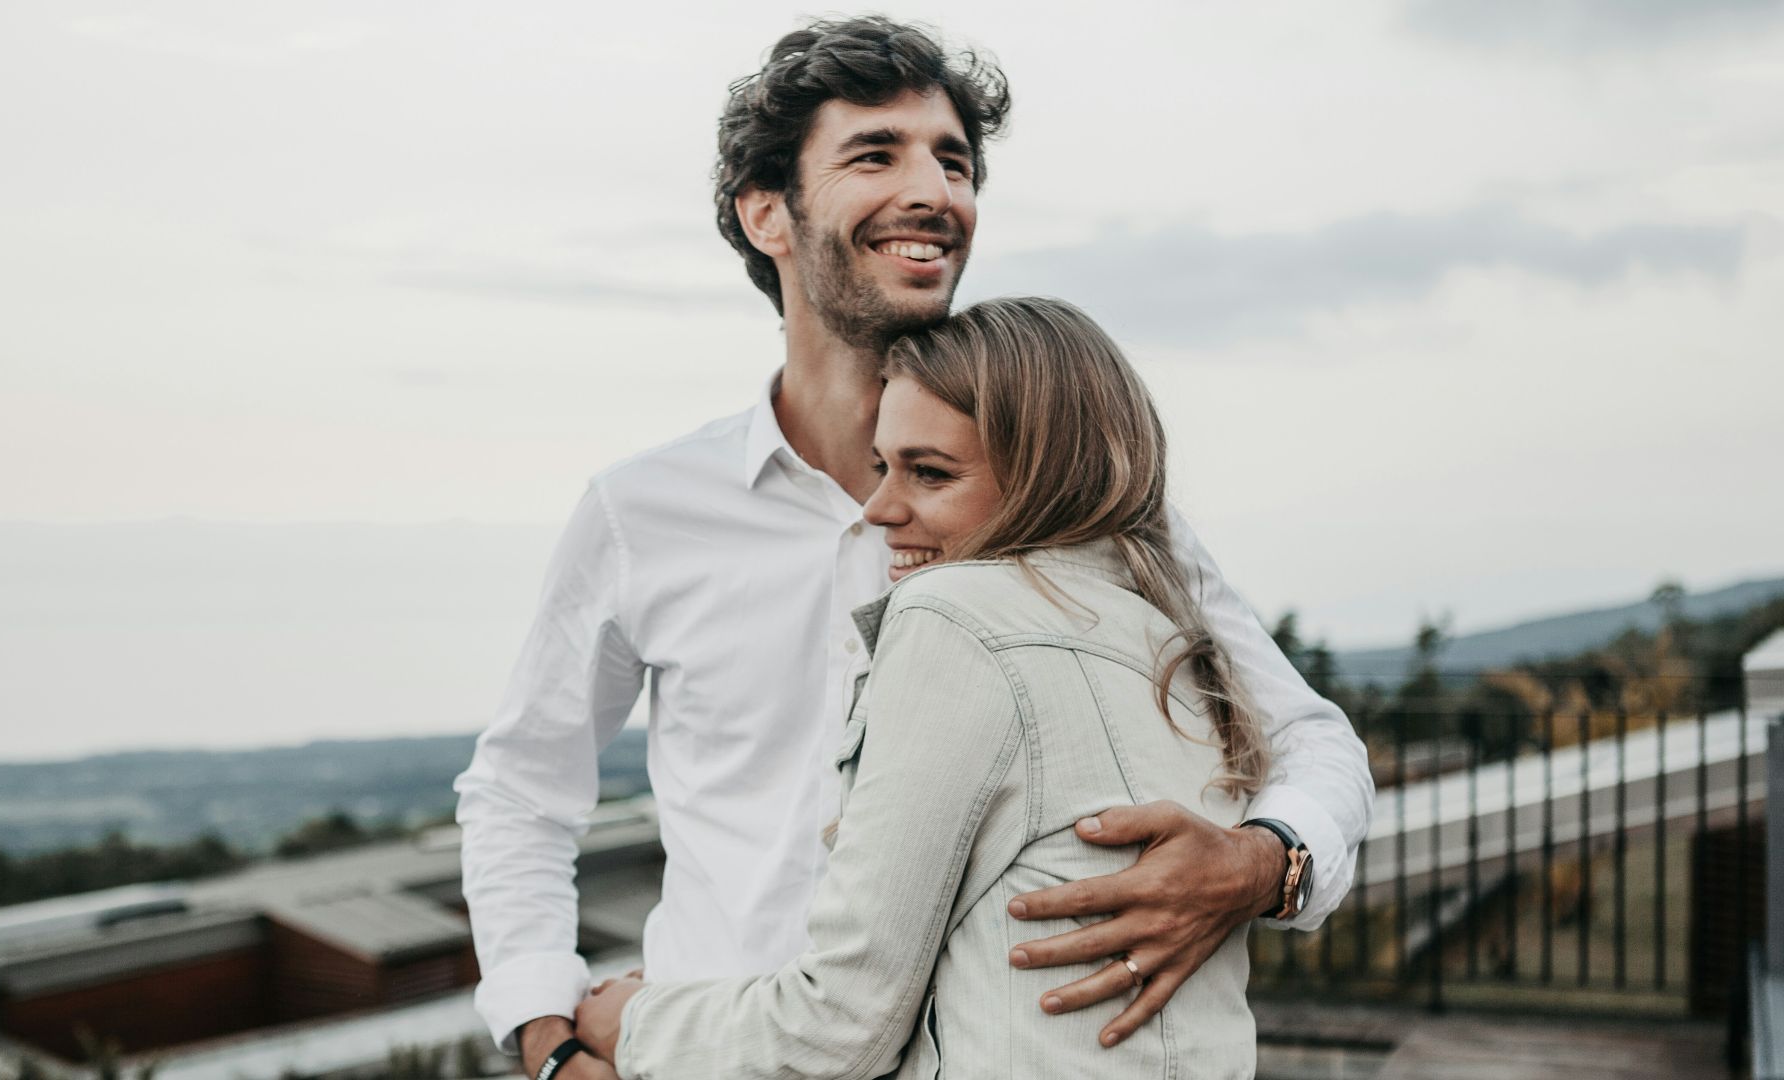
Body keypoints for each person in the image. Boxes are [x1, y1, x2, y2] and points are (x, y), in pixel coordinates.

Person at [453, 17, 1373, 1079]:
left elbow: (1311, 737)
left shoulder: (1078, 498)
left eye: (954, 160)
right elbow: (522, 788)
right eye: (875, 153)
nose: (936, 190)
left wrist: (1264, 865)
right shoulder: (641, 511)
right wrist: (546, 1041)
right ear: (768, 214)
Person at [573, 295, 1269, 1078]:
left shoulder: (953, 615)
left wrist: (631, 1023)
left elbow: (840, 1026)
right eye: (882, 467)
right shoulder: (1174, 637)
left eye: (929, 474)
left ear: (1045, 476)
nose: (878, 510)